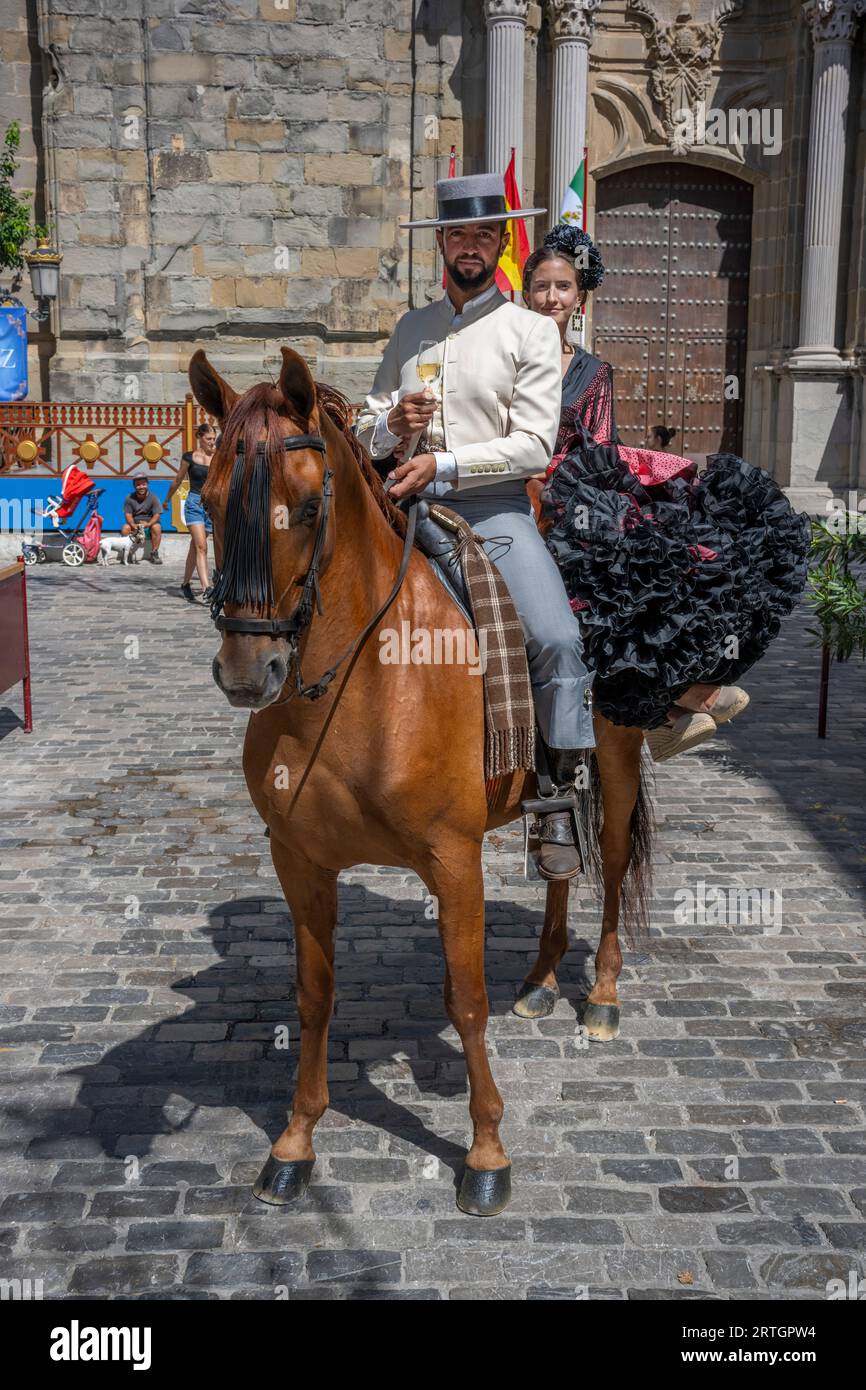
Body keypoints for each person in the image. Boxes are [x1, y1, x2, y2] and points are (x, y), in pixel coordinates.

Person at [356, 172, 592, 880]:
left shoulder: (529, 331)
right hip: (400, 504)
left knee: (556, 637)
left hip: (492, 514)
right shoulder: (411, 329)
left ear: (501, 241)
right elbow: (366, 421)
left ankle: (558, 790)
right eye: (457, 233)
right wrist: (388, 425)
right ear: (442, 242)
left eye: (482, 234)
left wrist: (447, 466)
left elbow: (533, 445)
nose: (469, 246)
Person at [522, 222, 811, 761]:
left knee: (661, 560)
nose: (552, 297)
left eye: (563, 286)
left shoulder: (592, 370)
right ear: (526, 293)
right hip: (521, 488)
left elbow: (601, 449)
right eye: (542, 286)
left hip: (578, 491)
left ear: (578, 296)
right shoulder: (505, 356)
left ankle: (671, 704)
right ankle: (676, 703)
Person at [163, 422, 216, 602]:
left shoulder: (218, 457)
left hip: (212, 506)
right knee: (202, 546)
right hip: (194, 502)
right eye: (208, 439)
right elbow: (178, 479)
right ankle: (206, 587)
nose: (211, 442)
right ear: (199, 438)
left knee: (195, 546)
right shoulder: (189, 457)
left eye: (214, 439)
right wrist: (166, 500)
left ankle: (185, 584)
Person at [122, 475, 163, 564]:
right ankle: (127, 553)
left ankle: (154, 553)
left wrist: (148, 524)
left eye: (143, 484)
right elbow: (128, 515)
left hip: (149, 525)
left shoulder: (153, 497)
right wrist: (133, 525)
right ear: (134, 486)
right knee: (125, 528)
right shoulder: (129, 498)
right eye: (138, 485)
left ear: (147, 484)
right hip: (135, 525)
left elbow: (157, 515)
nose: (141, 487)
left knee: (157, 527)